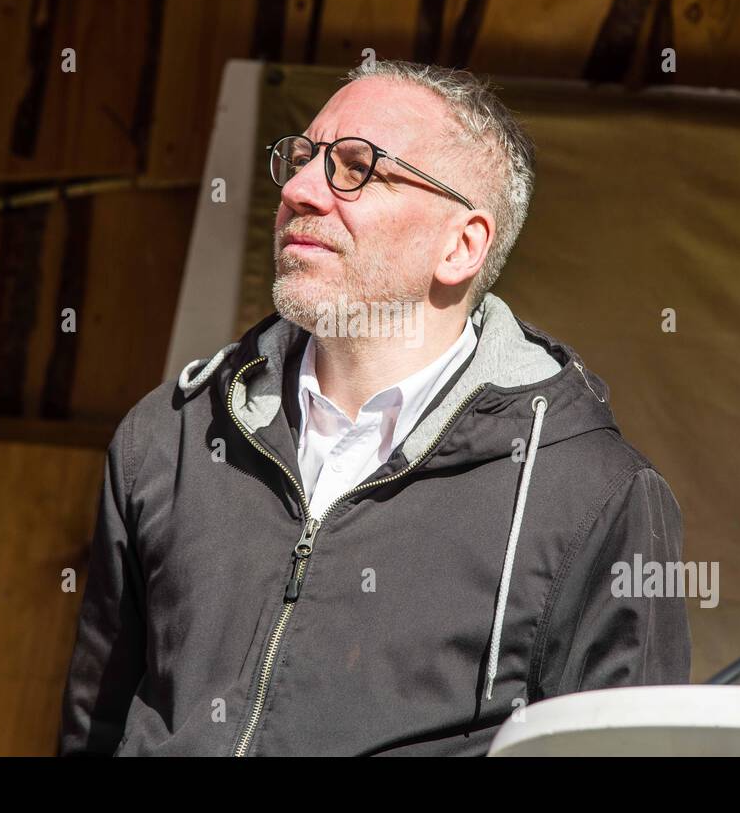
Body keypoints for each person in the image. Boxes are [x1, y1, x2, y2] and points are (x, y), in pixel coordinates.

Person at [59, 60, 691, 756]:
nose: (300, 190)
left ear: (461, 245)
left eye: (356, 167)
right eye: (301, 158)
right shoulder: (173, 434)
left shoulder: (590, 491)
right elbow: (94, 728)